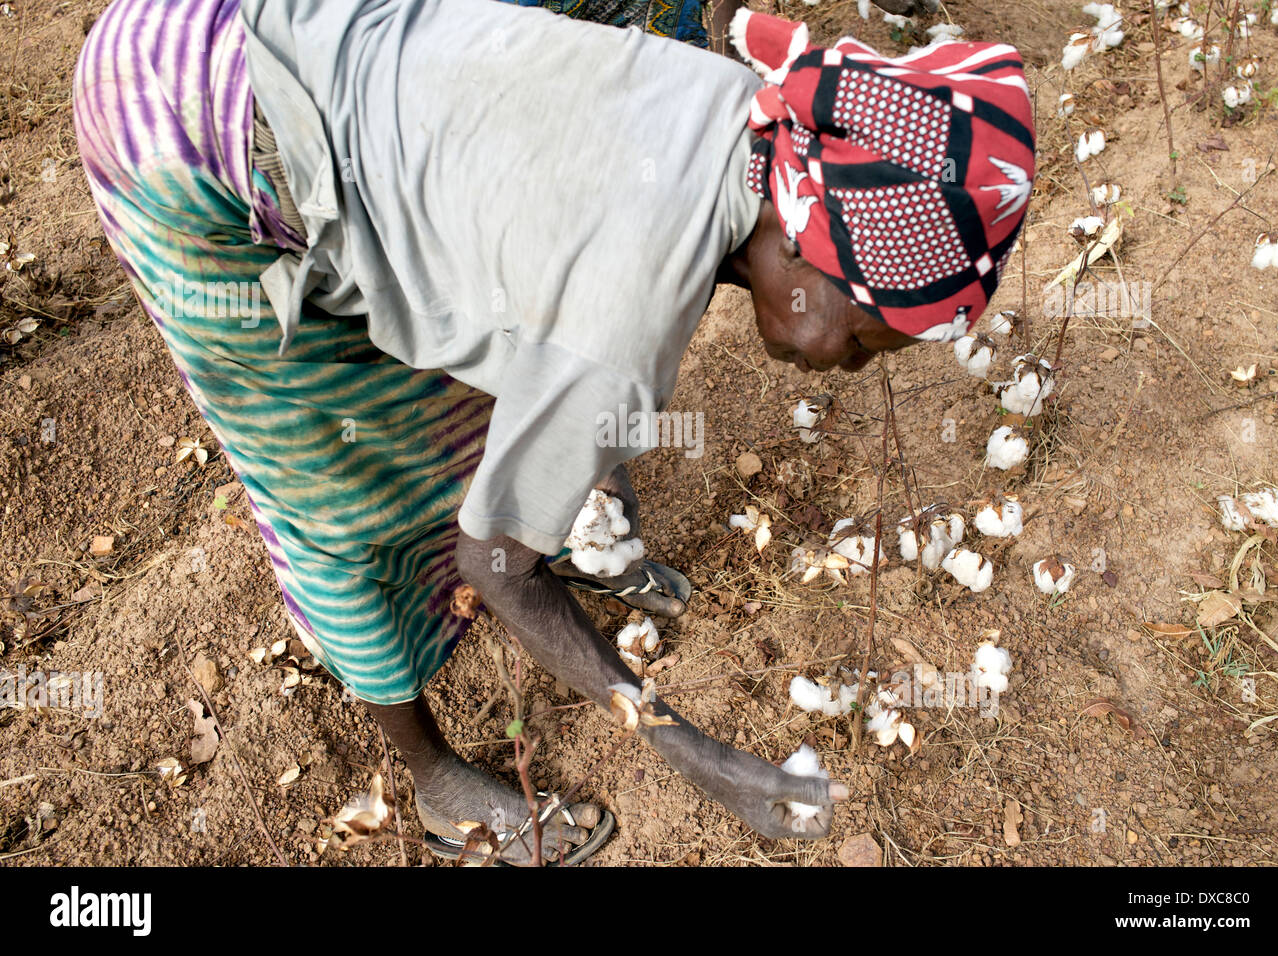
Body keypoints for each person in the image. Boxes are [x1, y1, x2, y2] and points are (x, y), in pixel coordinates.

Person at [73, 0, 1033, 864]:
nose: (850, 365)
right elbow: (492, 564)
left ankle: (566, 527)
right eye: (865, 335)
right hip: (177, 120)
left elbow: (559, 267)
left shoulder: (746, 114)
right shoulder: (618, 333)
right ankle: (437, 783)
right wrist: (690, 750)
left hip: (294, 34)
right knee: (338, 482)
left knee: (471, 405)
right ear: (799, 244)